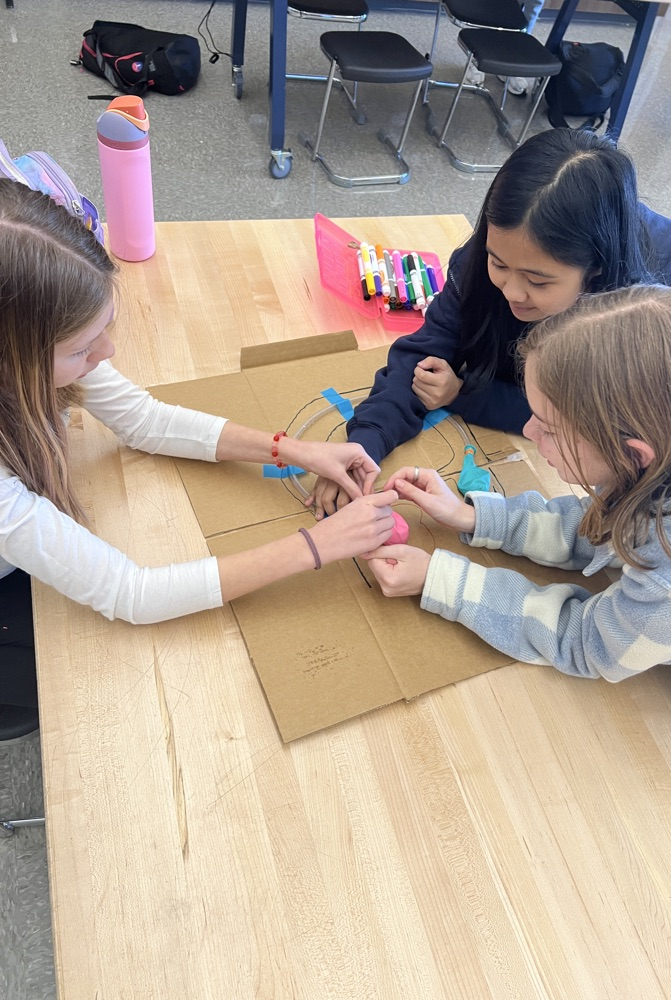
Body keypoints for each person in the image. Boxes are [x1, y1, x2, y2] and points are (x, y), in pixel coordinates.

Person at [0, 179, 394, 741]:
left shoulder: (39, 353)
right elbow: (131, 594)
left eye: (105, 329)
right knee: (89, 687)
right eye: (82, 348)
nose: (106, 353)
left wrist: (295, 449)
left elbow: (145, 421)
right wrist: (320, 545)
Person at [363, 285, 671, 737]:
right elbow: (599, 525)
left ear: (633, 454)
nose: (527, 429)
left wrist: (441, 579)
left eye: (546, 428)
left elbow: (585, 643)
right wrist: (474, 517)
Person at [308, 128, 671, 517]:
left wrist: (466, 395)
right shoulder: (486, 256)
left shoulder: (657, 295)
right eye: (498, 264)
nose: (511, 292)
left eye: (537, 280)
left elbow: (613, 423)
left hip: (587, 483)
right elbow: (425, 353)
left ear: (596, 269)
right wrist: (366, 441)